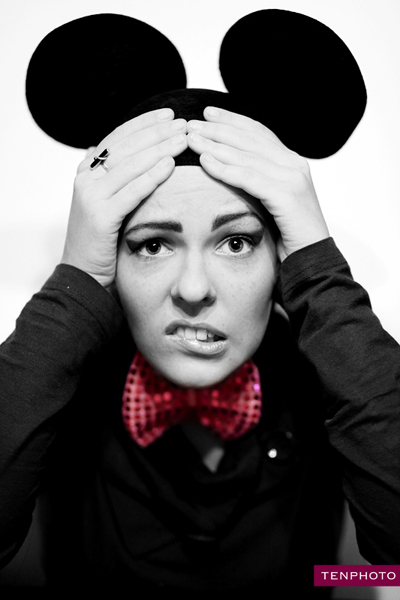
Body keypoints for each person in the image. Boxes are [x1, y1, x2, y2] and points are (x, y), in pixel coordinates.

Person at [1, 10, 400, 598]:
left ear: (278, 260)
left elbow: (391, 562)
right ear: (112, 258)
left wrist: (318, 268)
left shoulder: (325, 378)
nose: (193, 289)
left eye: (236, 242)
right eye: (153, 244)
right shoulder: (62, 382)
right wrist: (75, 281)